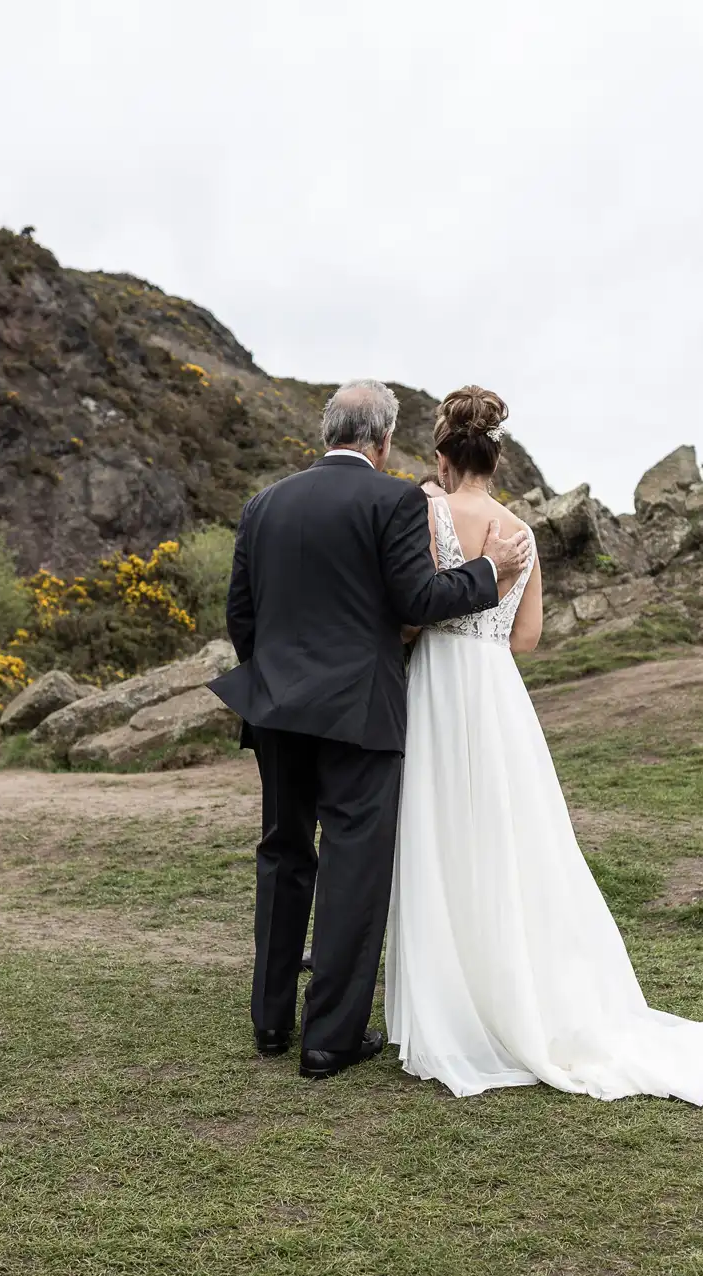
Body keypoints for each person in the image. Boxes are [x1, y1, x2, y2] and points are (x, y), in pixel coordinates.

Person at [385, 386, 703, 1103]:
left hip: (435, 686)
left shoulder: (425, 511)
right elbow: (527, 638)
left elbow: (406, 607)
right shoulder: (519, 532)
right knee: (510, 843)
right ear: (497, 462)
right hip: (495, 692)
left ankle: (451, 1014)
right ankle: (525, 998)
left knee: (439, 837)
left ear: (441, 456)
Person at [209, 379, 533, 1078]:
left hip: (276, 710)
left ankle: (270, 1023)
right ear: (384, 442)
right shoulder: (391, 500)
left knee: (284, 855)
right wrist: (489, 571)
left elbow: (241, 615)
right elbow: (418, 598)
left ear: (326, 431)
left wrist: (274, 681)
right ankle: (328, 1040)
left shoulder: (263, 504)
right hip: (359, 712)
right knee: (353, 865)